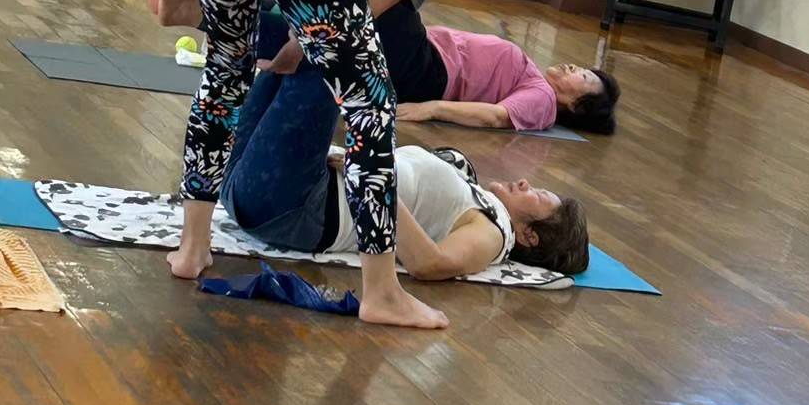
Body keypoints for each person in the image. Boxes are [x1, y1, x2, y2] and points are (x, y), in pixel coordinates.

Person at [167, 0, 531, 332]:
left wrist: (301, 39)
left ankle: (191, 247)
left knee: (225, 74)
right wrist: (306, 41)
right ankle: (382, 293)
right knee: (371, 108)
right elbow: (371, 4)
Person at [142, 0, 621, 135]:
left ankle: (202, 1)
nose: (574, 68)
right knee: (318, 25)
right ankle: (195, 8)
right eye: (583, 68)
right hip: (420, 56)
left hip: (427, 75)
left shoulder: (541, 101)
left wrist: (431, 109)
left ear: (578, 104)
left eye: (583, 77)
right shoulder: (534, 74)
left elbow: (495, 117)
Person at [219, 63, 589, 279]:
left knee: (328, 49)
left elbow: (430, 264)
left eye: (538, 195)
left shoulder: (494, 234)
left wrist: (374, 177)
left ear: (528, 236)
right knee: (293, 48)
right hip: (254, 188)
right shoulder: (475, 196)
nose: (525, 182)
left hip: (294, 205)